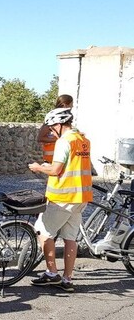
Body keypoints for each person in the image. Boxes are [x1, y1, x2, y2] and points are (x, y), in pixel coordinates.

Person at [28, 107, 91, 293]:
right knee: (70, 237)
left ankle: (51, 272)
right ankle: (67, 278)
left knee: (43, 230)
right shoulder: (83, 140)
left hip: (63, 196)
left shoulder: (64, 142)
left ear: (59, 124)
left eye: (51, 127)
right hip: (80, 197)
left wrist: (39, 168)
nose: (51, 131)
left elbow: (56, 170)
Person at [37, 95, 73, 163]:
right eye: (71, 104)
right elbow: (40, 138)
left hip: (62, 158)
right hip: (52, 159)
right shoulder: (53, 119)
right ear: (65, 104)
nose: (72, 106)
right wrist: (59, 140)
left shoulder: (65, 119)